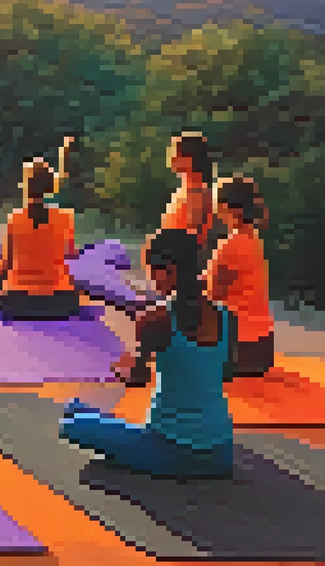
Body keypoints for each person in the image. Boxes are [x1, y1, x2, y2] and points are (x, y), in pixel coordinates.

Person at [59, 228, 235, 478]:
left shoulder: (155, 318)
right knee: (77, 408)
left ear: (169, 271)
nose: (149, 279)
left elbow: (137, 378)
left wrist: (120, 369)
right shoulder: (227, 317)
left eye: (151, 270)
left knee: (70, 425)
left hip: (170, 449)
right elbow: (226, 373)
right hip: (221, 452)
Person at [0, 157, 83, 320]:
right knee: (77, 288)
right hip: (58, 301)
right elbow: (70, 255)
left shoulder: (16, 218)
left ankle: (0, 302)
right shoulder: (66, 217)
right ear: (50, 188)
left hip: (19, 301)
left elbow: (7, 266)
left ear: (26, 187)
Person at [208, 176, 273, 377]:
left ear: (229, 208)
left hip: (237, 348)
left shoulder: (230, 246)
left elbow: (213, 295)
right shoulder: (253, 239)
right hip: (262, 348)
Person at [161, 132, 217, 254]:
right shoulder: (184, 191)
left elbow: (194, 239)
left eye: (176, 154)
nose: (172, 159)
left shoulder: (197, 193)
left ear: (191, 158)